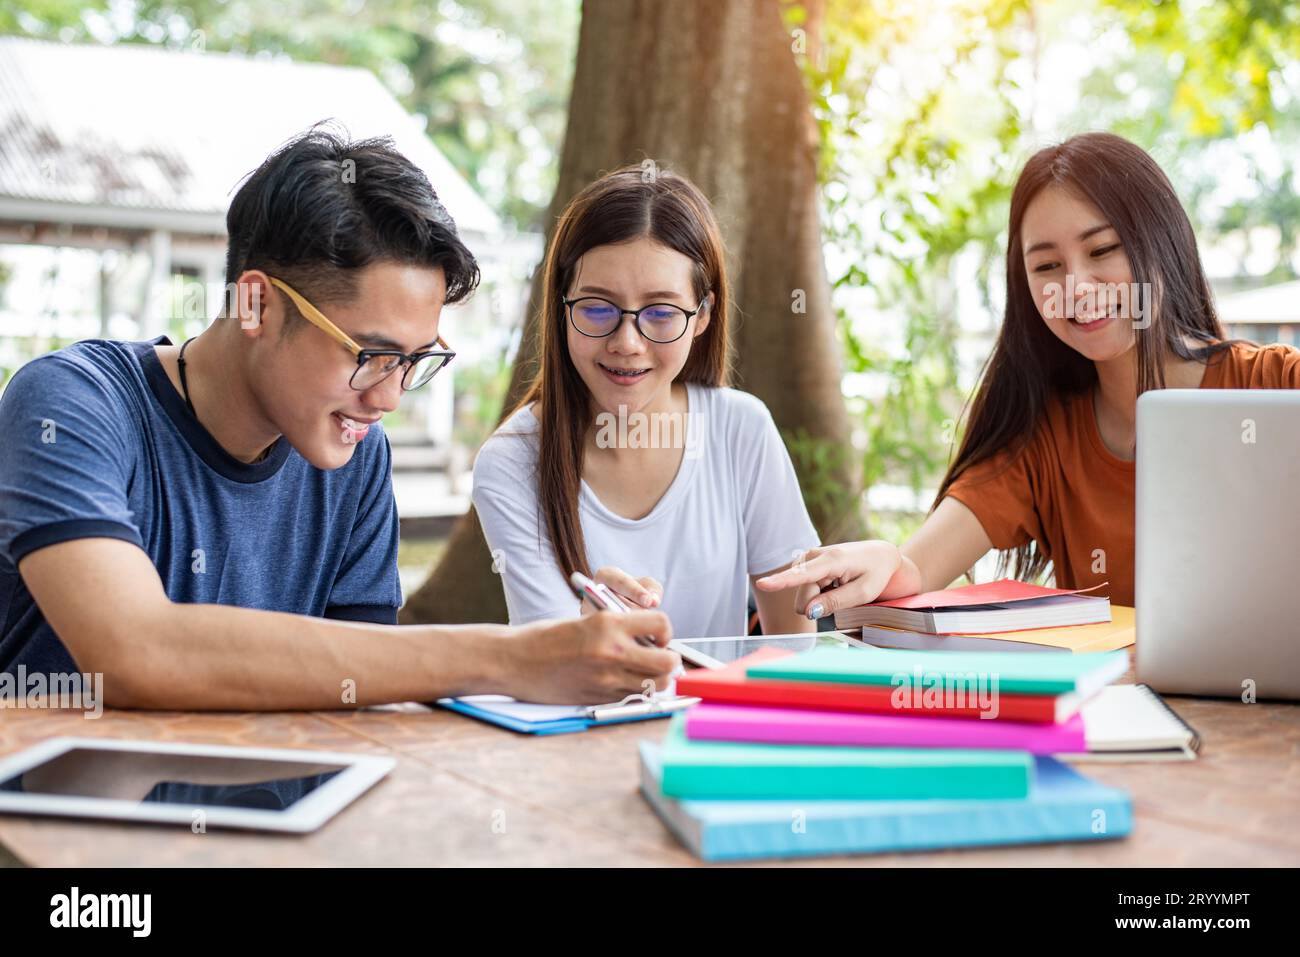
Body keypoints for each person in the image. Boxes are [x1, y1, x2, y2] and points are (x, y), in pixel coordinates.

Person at [0, 127, 678, 709]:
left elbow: (365, 678)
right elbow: (130, 648)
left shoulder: (353, 454)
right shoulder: (72, 404)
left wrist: (565, 640)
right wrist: (512, 656)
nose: (388, 398)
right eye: (373, 354)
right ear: (257, 305)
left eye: (414, 361)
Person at [757, 132, 1300, 617]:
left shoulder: (1278, 384)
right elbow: (915, 567)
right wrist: (884, 562)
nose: (1076, 287)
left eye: (1102, 249)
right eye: (1047, 266)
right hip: (1118, 716)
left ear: (1162, 243)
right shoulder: (1042, 436)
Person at [473, 166, 819, 639]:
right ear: (560, 307)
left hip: (716, 714)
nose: (627, 342)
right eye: (596, 308)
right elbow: (549, 666)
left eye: (660, 312)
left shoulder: (742, 429)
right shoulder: (511, 460)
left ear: (703, 316)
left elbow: (793, 646)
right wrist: (585, 631)